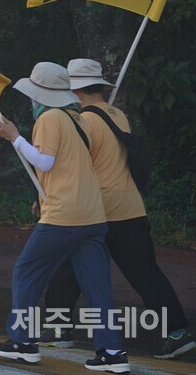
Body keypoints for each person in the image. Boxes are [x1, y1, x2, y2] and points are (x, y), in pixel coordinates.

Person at [43, 59, 190, 361]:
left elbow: (77, 169)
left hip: (97, 209)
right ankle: (177, 332)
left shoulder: (84, 122)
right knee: (146, 273)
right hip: (131, 208)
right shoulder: (117, 114)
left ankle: (58, 331)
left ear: (74, 90)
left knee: (67, 265)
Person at [0, 62, 129, 373]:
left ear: (40, 95)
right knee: (98, 287)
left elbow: (46, 161)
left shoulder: (50, 118)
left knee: (26, 272)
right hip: (93, 214)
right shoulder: (78, 118)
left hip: (64, 214)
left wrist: (14, 137)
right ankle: (112, 352)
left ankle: (23, 342)